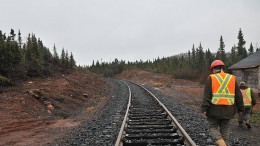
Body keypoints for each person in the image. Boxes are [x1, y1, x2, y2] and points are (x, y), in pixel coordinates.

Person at [201, 60, 244, 146]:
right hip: (229, 111)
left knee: (213, 127)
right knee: (224, 131)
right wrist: (241, 109)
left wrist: (204, 109)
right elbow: (238, 95)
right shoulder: (232, 78)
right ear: (223, 68)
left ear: (213, 69)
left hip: (214, 110)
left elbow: (207, 96)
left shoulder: (212, 78)